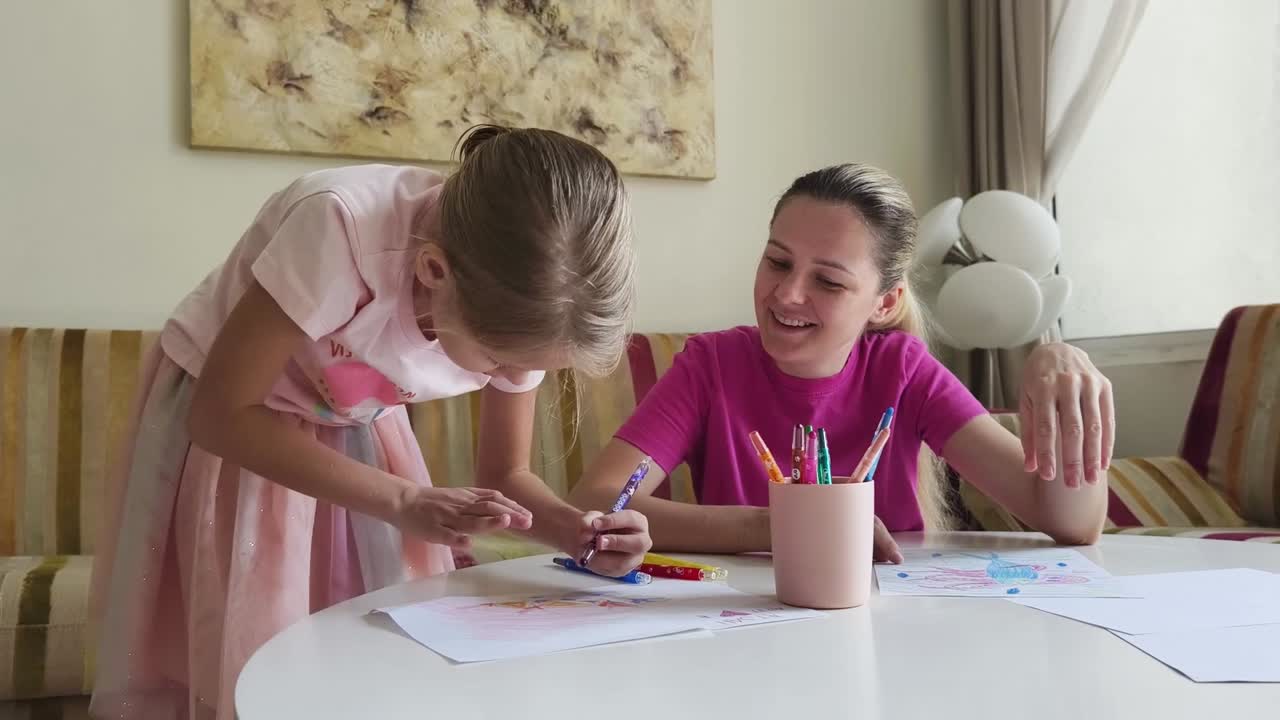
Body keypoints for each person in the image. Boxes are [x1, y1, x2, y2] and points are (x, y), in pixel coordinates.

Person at [89, 125, 653, 719]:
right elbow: (221, 414)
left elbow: (506, 471)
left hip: (354, 420)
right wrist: (406, 498)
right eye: (498, 364)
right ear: (434, 272)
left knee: (365, 659)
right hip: (237, 427)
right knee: (247, 652)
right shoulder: (338, 229)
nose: (508, 377)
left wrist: (573, 533)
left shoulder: (526, 300)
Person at [568, 163, 1113, 561]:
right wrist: (780, 528)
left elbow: (1072, 522)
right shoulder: (713, 364)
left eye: (828, 280)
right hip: (745, 623)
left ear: (885, 302)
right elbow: (598, 498)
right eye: (777, 261)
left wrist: (1057, 363)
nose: (786, 295)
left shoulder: (903, 370)